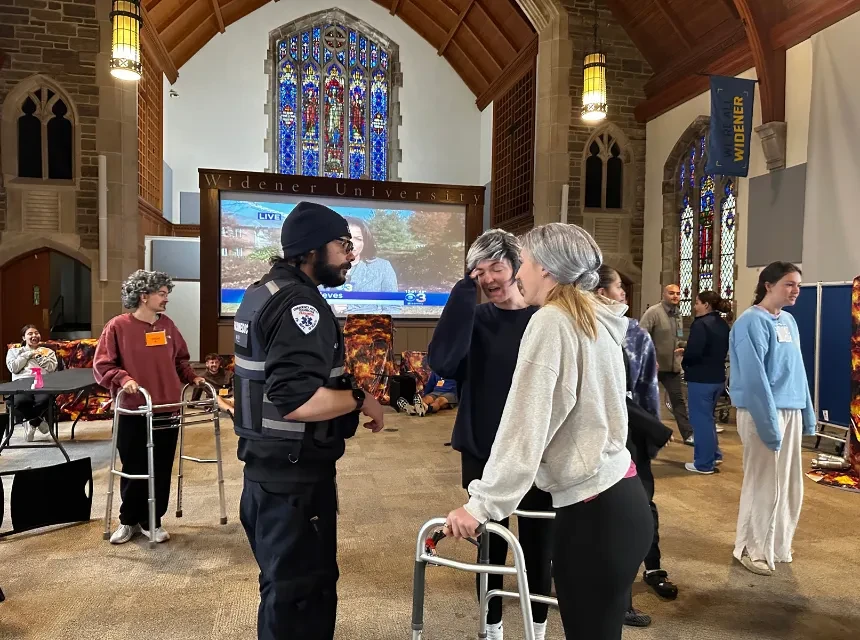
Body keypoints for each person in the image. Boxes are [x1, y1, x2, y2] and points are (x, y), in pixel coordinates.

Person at [445, 223, 653, 640]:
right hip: (623, 500)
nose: (518, 271)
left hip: (594, 513)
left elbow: (526, 424)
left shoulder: (552, 322)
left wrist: (481, 504)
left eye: (523, 261)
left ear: (547, 268)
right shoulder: (595, 316)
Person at [233, 201, 385, 640]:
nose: (350, 255)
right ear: (311, 249)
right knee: (303, 593)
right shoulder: (302, 306)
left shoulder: (263, 290)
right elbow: (296, 401)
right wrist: (359, 398)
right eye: (342, 245)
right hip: (293, 482)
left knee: (283, 587)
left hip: (268, 474)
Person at [428, 228, 551, 640]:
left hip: (538, 452)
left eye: (496, 267)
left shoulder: (544, 320)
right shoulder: (475, 319)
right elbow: (443, 362)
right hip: (483, 448)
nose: (489, 279)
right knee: (490, 544)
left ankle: (538, 628)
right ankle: (491, 626)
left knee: (538, 546)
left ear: (518, 267)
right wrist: (464, 293)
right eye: (478, 273)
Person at [93, 270, 205, 544]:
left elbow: (180, 360)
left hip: (167, 407)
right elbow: (103, 365)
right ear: (144, 296)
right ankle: (128, 520)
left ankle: (152, 520)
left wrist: (193, 377)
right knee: (134, 465)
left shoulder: (167, 325)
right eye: (162, 294)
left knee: (161, 466)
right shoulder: (117, 326)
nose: (166, 299)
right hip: (134, 409)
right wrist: (124, 378)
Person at [595, 266, 677, 627]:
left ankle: (652, 569)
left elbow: (647, 390)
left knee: (641, 509)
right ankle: (610, 594)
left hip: (630, 435)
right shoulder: (581, 328)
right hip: (591, 435)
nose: (624, 294)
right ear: (598, 291)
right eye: (618, 288)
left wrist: (649, 440)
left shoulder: (636, 334)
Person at [729, 262, 815, 576]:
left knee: (789, 485)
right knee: (765, 484)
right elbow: (754, 378)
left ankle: (777, 546)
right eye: (789, 284)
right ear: (768, 285)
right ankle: (751, 549)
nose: (795, 291)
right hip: (762, 411)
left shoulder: (789, 321)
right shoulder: (750, 322)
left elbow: (798, 370)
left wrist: (807, 413)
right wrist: (768, 424)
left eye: (798, 285)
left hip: (789, 409)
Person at [683, 291, 732, 474]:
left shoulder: (700, 324)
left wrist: (684, 360)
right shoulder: (722, 324)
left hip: (701, 379)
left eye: (697, 302)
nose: (695, 306)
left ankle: (703, 463)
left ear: (706, 305)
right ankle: (714, 455)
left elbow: (695, 352)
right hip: (717, 377)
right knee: (708, 419)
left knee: (700, 422)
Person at [641, 284, 694, 444]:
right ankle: (648, 434)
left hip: (673, 367)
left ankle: (688, 434)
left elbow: (677, 337)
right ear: (663, 294)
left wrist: (685, 346)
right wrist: (650, 358)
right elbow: (641, 336)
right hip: (653, 366)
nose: (675, 296)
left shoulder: (678, 314)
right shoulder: (654, 313)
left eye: (678, 293)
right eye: (671, 293)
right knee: (649, 400)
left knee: (678, 401)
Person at [5, 324, 59, 441]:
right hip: (21, 384)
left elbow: (51, 368)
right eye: (30, 333)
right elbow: (14, 368)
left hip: (43, 383)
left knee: (45, 400)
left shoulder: (48, 352)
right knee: (19, 401)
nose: (34, 335)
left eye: (36, 333)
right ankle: (37, 421)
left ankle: (31, 423)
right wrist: (28, 354)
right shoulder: (14, 352)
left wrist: (39, 356)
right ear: (24, 338)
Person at [338, 215, 398, 315]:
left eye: (358, 238)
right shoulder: (324, 266)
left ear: (365, 242)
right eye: (347, 238)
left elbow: (393, 306)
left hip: (370, 327)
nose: (352, 243)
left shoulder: (382, 267)